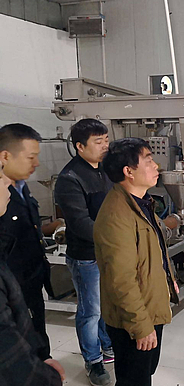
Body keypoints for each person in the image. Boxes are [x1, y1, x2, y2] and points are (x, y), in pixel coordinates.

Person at [94, 138, 179, 386]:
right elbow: (121, 280)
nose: (156, 166)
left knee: (144, 373)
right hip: (133, 318)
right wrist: (140, 326)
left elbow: (154, 251)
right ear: (128, 171)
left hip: (149, 306)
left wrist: (169, 280)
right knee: (134, 380)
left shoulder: (142, 203)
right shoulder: (117, 215)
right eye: (149, 160)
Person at [55, 119, 113, 386]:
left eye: (106, 140)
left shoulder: (105, 170)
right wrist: (116, 238)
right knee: (90, 311)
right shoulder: (70, 178)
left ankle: (107, 345)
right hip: (86, 256)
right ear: (80, 146)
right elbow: (80, 224)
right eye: (98, 142)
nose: (105, 146)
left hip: (108, 251)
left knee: (105, 305)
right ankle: (93, 361)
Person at [0, 161, 66, 385]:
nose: (7, 184)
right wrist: (47, 377)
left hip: (32, 277)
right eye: (1, 179)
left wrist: (41, 356)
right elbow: (9, 351)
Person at [0, 123, 53, 361]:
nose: (37, 163)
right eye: (31, 157)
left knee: (37, 332)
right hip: (11, 288)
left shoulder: (21, 186)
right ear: (5, 156)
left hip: (32, 279)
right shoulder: (2, 195)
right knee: (21, 345)